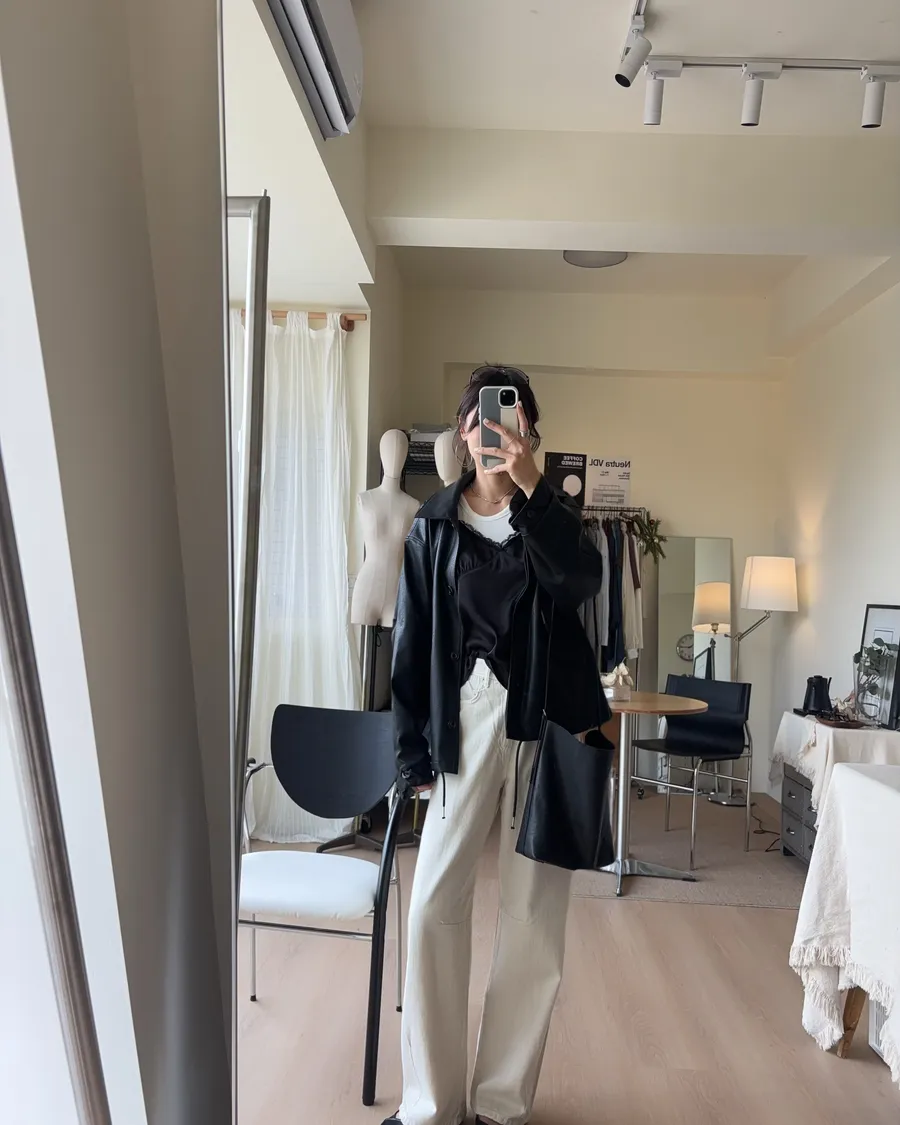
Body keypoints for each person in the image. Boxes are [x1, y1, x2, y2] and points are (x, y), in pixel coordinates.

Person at [385, 365, 610, 1125]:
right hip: (464, 721)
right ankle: (432, 1103)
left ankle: (501, 1103)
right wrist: (411, 751)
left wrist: (532, 486)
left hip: (545, 723)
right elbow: (412, 641)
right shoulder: (434, 525)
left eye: (514, 423)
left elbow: (581, 583)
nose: (497, 435)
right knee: (431, 907)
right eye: (484, 421)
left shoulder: (552, 517)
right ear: (462, 432)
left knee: (533, 918)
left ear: (529, 435)